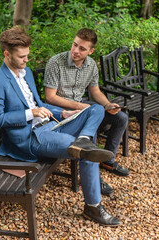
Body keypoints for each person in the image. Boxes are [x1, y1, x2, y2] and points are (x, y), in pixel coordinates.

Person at [0, 26, 122, 226]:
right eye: (22, 57)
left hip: (51, 125)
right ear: (7, 54)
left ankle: (84, 140)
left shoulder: (26, 72)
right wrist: (29, 114)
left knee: (96, 110)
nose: (27, 60)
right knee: (84, 150)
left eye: (28, 56)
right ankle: (93, 207)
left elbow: (39, 103)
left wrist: (62, 113)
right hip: (30, 137)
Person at [44, 28, 130, 196]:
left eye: (82, 48)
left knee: (121, 118)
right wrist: (77, 106)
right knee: (90, 126)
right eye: (74, 45)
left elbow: (95, 91)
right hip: (61, 111)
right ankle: (93, 176)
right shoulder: (56, 62)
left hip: (82, 105)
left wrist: (107, 105)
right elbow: (50, 97)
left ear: (91, 51)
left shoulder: (91, 65)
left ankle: (108, 161)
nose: (76, 51)